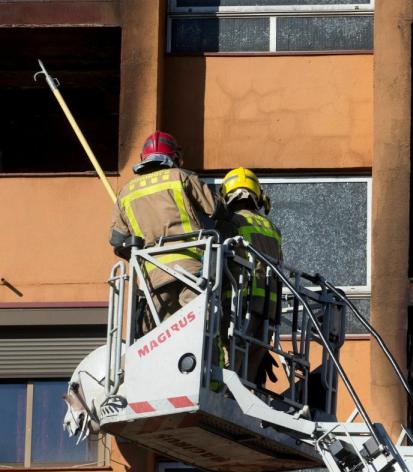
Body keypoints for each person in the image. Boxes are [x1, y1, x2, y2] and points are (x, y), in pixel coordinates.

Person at [109, 131, 219, 329]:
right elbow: (215, 209)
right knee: (197, 329)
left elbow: (117, 240)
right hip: (190, 270)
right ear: (175, 156)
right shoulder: (181, 177)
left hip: (152, 277)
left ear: (143, 158)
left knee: (161, 336)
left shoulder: (125, 193)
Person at [216, 167, 283, 386]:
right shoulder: (272, 227)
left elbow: (219, 261)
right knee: (249, 374)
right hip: (268, 311)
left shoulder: (231, 222)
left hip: (239, 306)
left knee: (230, 369)